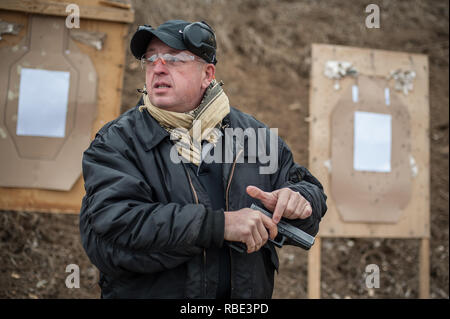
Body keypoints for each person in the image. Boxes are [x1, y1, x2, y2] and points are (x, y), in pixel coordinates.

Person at [79, 19, 327, 299]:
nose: (158, 67)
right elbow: (117, 222)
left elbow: (309, 192)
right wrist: (220, 226)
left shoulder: (254, 136)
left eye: (174, 58)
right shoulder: (117, 141)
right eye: (150, 59)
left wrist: (298, 198)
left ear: (207, 74)